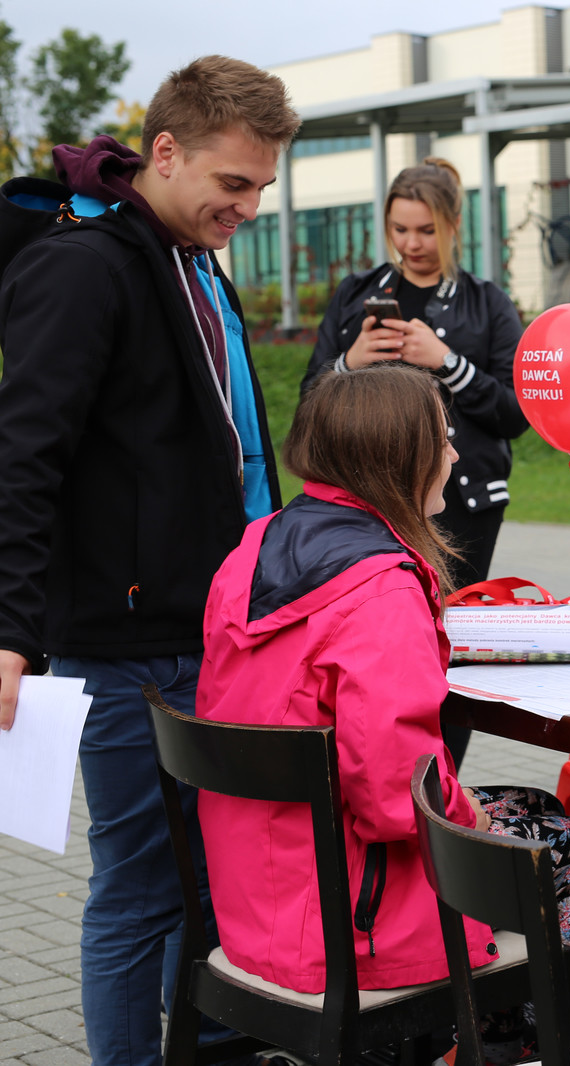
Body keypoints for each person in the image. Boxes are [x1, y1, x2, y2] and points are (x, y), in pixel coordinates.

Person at [0, 57, 298, 1066]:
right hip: (130, 647)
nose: (248, 207)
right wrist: (10, 630)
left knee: (210, 880)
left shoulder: (191, 257)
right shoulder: (84, 266)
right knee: (140, 888)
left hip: (214, 629)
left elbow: (220, 442)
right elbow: (24, 456)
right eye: (233, 183)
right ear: (164, 152)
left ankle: (204, 1047)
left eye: (261, 187)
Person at [197, 365, 570, 1057]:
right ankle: (565, 1050)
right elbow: (398, 800)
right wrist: (467, 814)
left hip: (265, 889)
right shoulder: (380, 591)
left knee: (537, 807)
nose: (454, 454)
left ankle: (483, 1046)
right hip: (348, 918)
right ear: (399, 456)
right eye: (443, 438)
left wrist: (467, 806)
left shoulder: (253, 550)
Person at [302, 156, 527, 767]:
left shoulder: (486, 303)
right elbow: (309, 400)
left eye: (426, 230)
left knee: (450, 648)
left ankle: (440, 785)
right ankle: (381, 772)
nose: (411, 244)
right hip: (366, 500)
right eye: (399, 229)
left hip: (465, 503)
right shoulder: (357, 296)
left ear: (453, 226)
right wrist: (349, 363)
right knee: (377, 641)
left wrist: (446, 361)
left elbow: (516, 412)